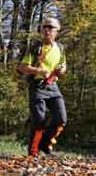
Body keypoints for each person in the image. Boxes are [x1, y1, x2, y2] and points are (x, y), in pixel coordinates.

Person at [17, 17, 67, 157]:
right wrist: (39, 71)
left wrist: (61, 70)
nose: (46, 30)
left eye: (50, 27)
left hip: (53, 86)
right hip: (37, 86)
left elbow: (63, 65)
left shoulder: (60, 48)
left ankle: (45, 144)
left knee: (61, 119)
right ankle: (33, 152)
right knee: (39, 119)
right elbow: (22, 67)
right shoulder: (35, 47)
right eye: (44, 27)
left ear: (57, 31)